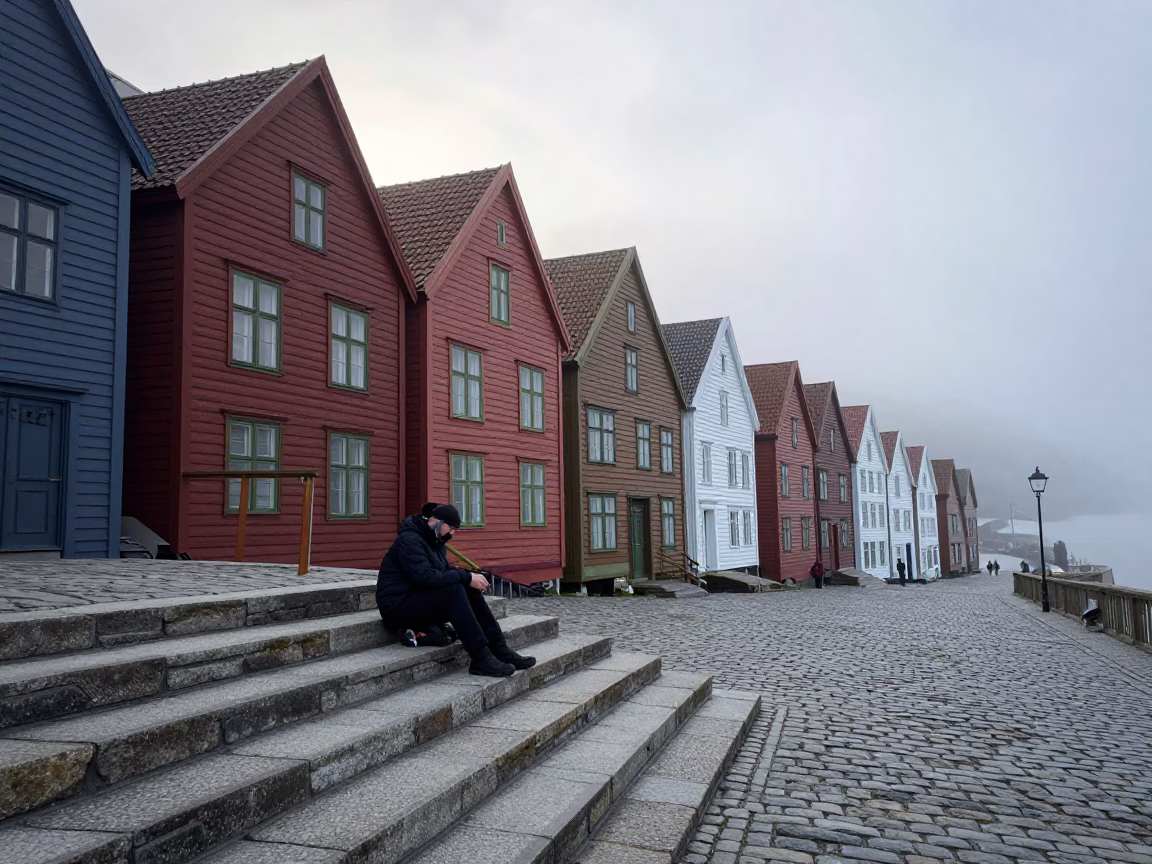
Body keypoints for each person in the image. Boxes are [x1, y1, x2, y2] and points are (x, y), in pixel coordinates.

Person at [376, 503, 535, 677]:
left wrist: (469, 577)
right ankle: (480, 657)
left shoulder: (435, 541)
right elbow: (423, 577)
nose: (452, 534)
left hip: (417, 599)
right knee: (454, 588)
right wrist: (465, 576)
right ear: (435, 521)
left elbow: (442, 573)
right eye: (450, 528)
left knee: (466, 587)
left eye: (455, 530)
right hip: (396, 608)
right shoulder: (409, 540)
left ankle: (499, 648)